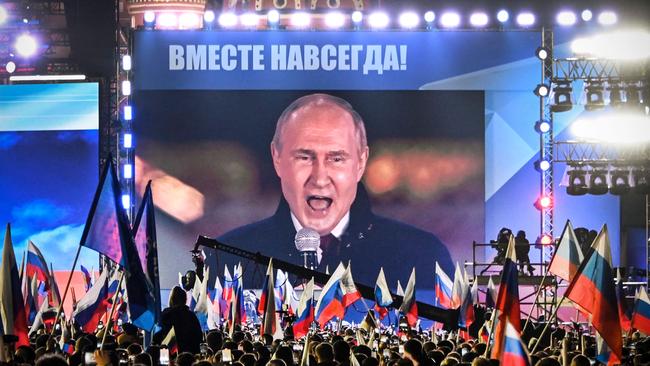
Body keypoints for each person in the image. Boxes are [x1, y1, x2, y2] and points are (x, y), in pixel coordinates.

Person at [206, 93, 452, 289]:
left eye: (336, 159)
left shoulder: (422, 256)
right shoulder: (228, 257)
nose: (320, 178)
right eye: (304, 157)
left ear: (361, 162)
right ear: (277, 158)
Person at [153, 286, 203, 354]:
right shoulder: (191, 316)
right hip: (190, 354)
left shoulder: (165, 315)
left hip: (167, 354)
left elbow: (157, 337)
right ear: (185, 300)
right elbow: (199, 337)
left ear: (171, 299)